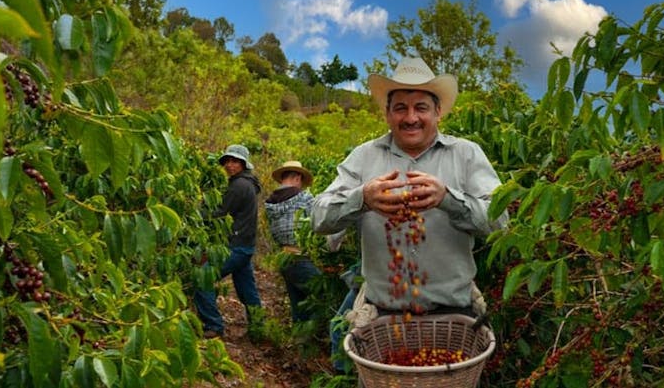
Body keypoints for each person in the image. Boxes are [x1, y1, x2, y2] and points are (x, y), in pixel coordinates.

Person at [311, 56, 507, 366]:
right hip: (383, 319)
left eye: (421, 108)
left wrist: (448, 199)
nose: (411, 117)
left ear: (438, 112)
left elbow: (500, 222)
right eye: (400, 107)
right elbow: (319, 217)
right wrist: (362, 198)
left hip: (453, 317)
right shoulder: (364, 157)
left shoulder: (466, 154)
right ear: (387, 114)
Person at [195, 144, 263, 339]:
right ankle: (259, 328)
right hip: (245, 245)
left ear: (243, 164)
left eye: (235, 162)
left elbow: (219, 213)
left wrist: (194, 213)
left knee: (203, 278)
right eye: (228, 161)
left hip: (236, 245)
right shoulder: (248, 183)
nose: (230, 165)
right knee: (246, 289)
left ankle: (214, 325)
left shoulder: (239, 186)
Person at [263, 160, 321, 323]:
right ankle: (317, 342)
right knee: (323, 299)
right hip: (300, 256)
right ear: (297, 177)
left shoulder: (271, 202)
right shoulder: (304, 197)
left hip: (284, 257)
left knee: (298, 306)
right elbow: (320, 223)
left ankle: (301, 343)